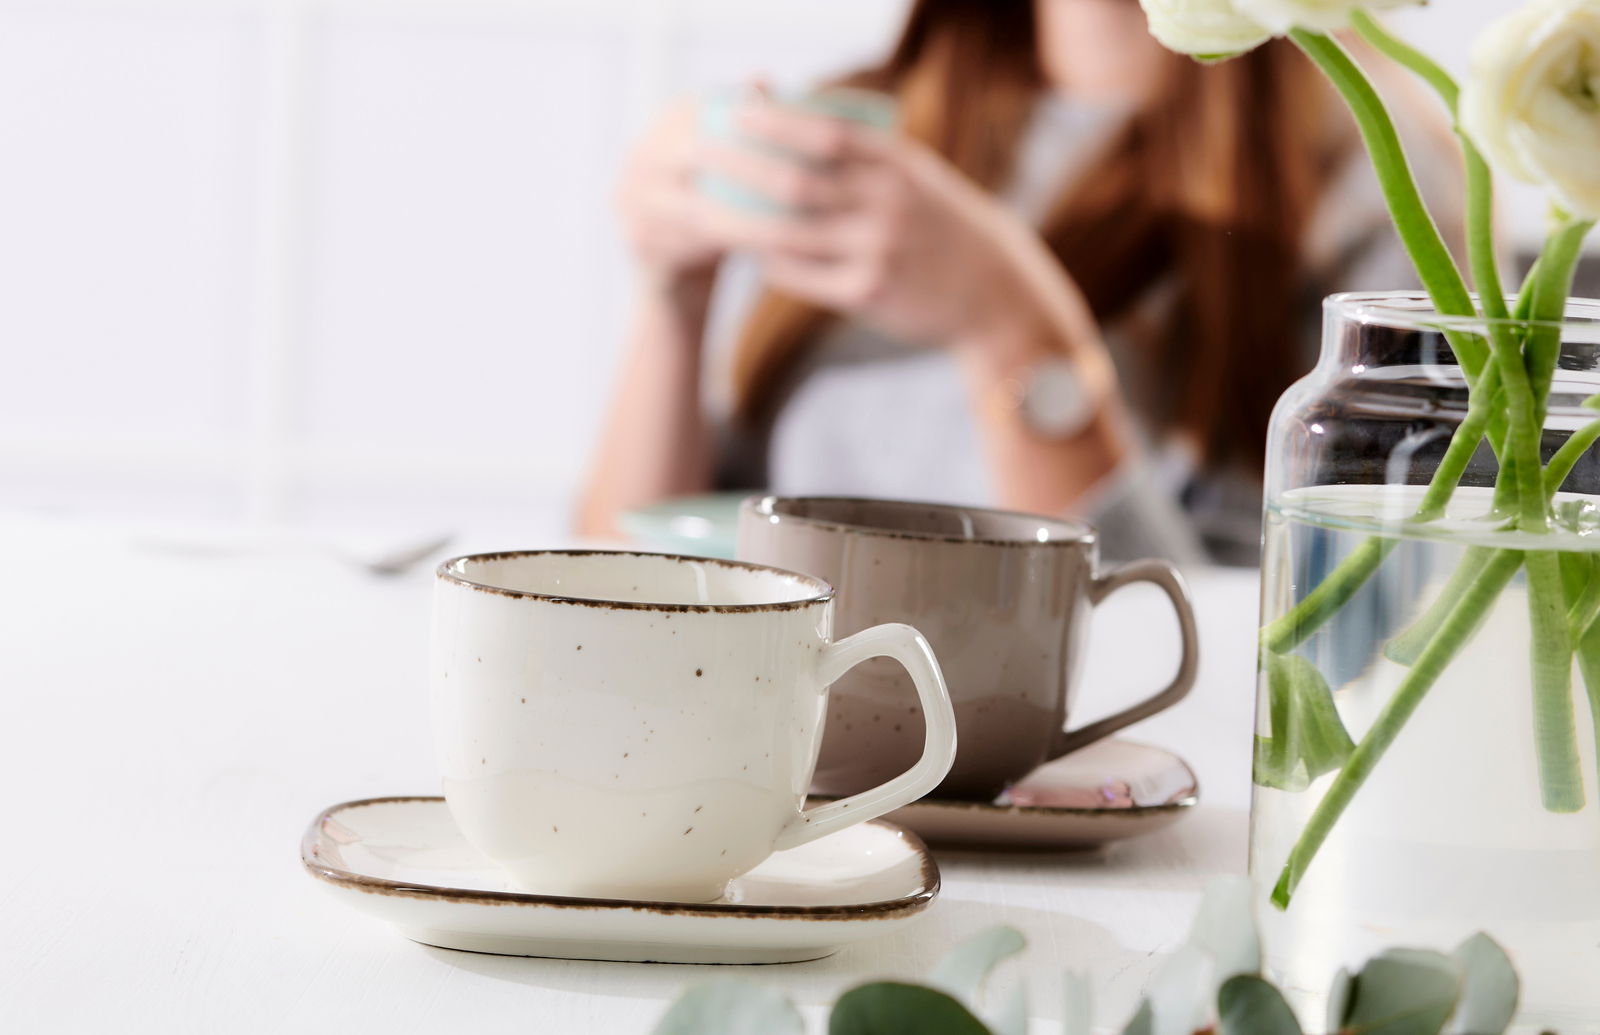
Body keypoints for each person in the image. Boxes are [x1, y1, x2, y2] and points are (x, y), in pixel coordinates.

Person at [577, 0, 1459, 565]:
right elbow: (623, 579)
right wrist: (674, 298)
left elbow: (1263, 653)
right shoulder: (859, 119)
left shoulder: (1375, 174)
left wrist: (1012, 333)